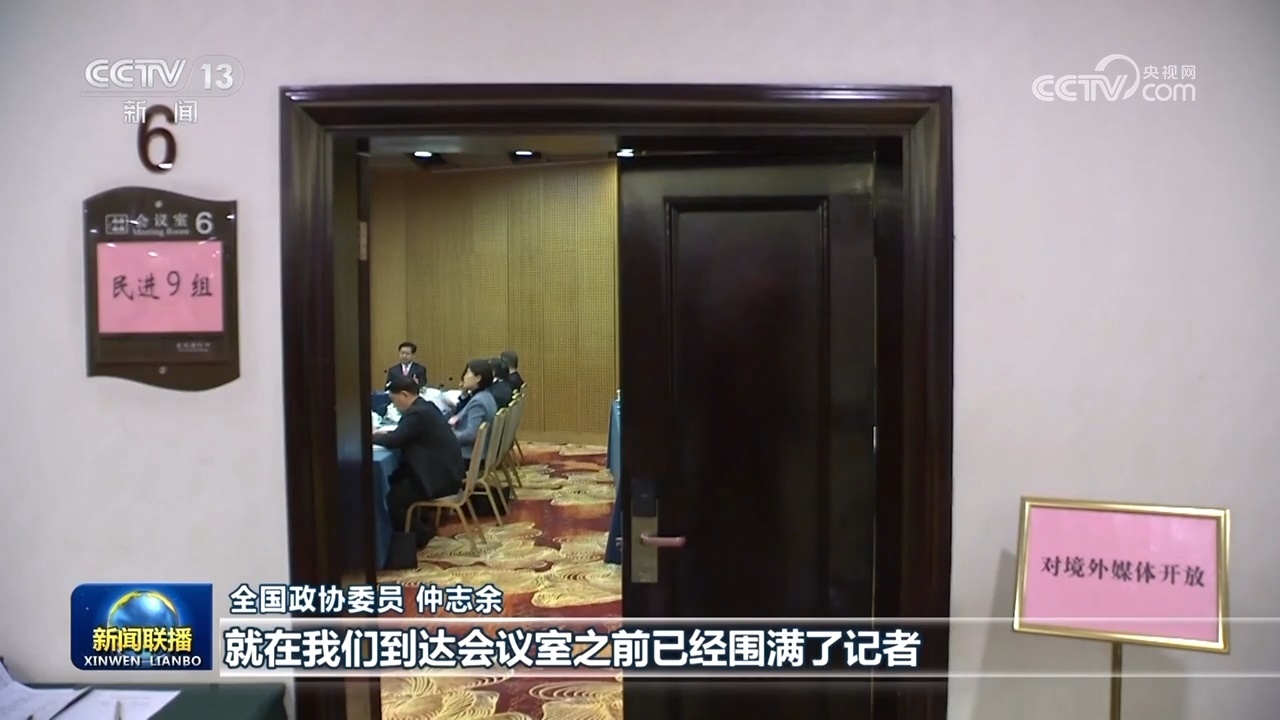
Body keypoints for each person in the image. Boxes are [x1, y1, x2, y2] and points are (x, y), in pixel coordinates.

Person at [374, 376, 464, 548]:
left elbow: (394, 440)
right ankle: (422, 526)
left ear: (404, 395)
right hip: (447, 472)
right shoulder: (426, 406)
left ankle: (417, 538)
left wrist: (370, 436)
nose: (394, 405)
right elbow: (401, 435)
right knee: (397, 481)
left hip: (440, 480)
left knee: (394, 499)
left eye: (394, 400)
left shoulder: (417, 414)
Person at [449, 359, 498, 463]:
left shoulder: (478, 402)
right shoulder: (485, 395)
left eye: (467, 373)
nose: (464, 377)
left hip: (469, 456)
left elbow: (471, 435)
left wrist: (447, 436)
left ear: (478, 378)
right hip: (476, 453)